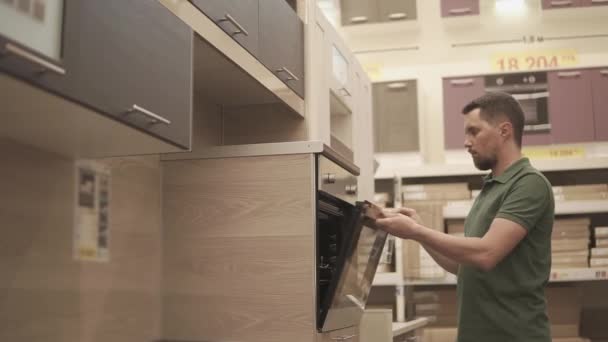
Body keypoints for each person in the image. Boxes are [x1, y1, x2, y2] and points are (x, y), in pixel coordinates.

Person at [374, 92, 555, 342]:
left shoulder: (529, 184)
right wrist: (419, 229)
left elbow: (486, 254)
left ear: (504, 131)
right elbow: (463, 265)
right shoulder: (491, 187)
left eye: (474, 131)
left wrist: (416, 231)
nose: (467, 142)